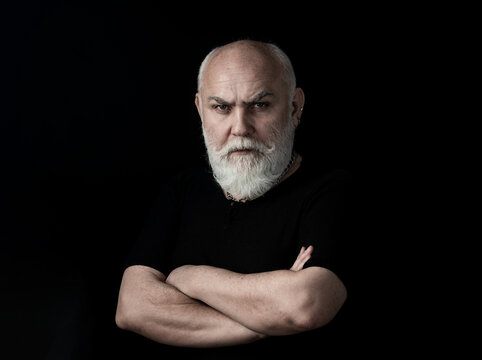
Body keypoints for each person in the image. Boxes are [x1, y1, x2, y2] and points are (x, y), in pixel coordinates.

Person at [115, 39, 353, 357]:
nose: (240, 127)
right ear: (201, 110)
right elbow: (132, 308)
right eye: (222, 107)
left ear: (295, 107)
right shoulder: (183, 190)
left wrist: (192, 277)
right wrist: (267, 318)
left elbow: (305, 305)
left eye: (260, 105)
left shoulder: (332, 191)